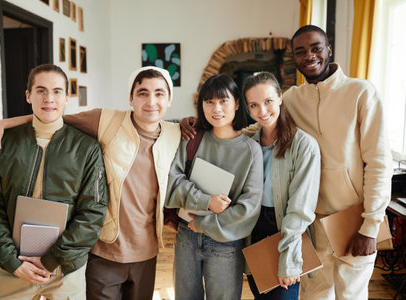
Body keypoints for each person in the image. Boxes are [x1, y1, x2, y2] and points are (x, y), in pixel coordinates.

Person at [0, 66, 181, 300]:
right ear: (131, 97)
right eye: (143, 93)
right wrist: (4, 124)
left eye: (159, 93)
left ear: (169, 99)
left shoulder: (175, 133)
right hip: (95, 251)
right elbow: (53, 116)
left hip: (88, 259)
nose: (151, 101)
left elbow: (91, 210)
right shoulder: (104, 120)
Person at [0, 64, 108, 300]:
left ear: (67, 98)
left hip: (65, 268)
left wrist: (52, 260)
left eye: (57, 91)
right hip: (13, 266)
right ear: (28, 95)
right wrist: (10, 260)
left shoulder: (87, 149)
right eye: (41, 91)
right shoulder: (2, 145)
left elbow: (93, 212)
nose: (49, 98)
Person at [284, 25, 392, 300]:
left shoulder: (361, 92)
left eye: (316, 48)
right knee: (312, 297)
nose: (309, 56)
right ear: (294, 58)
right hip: (313, 222)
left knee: (352, 297)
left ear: (329, 50)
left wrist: (370, 227)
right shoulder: (291, 100)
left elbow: (379, 162)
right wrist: (199, 125)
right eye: (300, 51)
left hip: (354, 219)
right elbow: (261, 130)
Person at [165, 74, 264, 300]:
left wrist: (204, 223)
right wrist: (206, 201)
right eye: (209, 102)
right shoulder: (191, 138)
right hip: (186, 236)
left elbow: (249, 208)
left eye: (223, 101)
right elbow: (172, 181)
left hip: (226, 241)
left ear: (237, 103)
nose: (216, 108)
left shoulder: (251, 151)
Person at [242, 72, 320, 299]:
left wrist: (289, 259)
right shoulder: (249, 144)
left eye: (268, 102)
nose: (262, 111)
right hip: (255, 233)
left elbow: (300, 209)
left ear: (280, 97)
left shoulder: (304, 145)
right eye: (254, 105)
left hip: (286, 234)